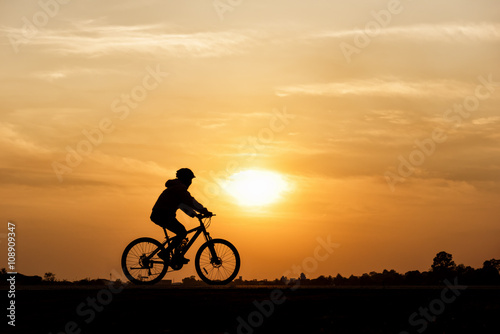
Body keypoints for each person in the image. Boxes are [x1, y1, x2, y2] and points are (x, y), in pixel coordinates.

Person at [150, 168, 212, 264]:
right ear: (186, 179)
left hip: (163, 214)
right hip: (162, 214)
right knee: (182, 232)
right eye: (190, 179)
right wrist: (204, 211)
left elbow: (183, 206)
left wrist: (195, 215)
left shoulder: (176, 188)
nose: (190, 182)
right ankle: (165, 253)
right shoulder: (179, 188)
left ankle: (177, 256)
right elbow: (190, 201)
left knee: (181, 233)